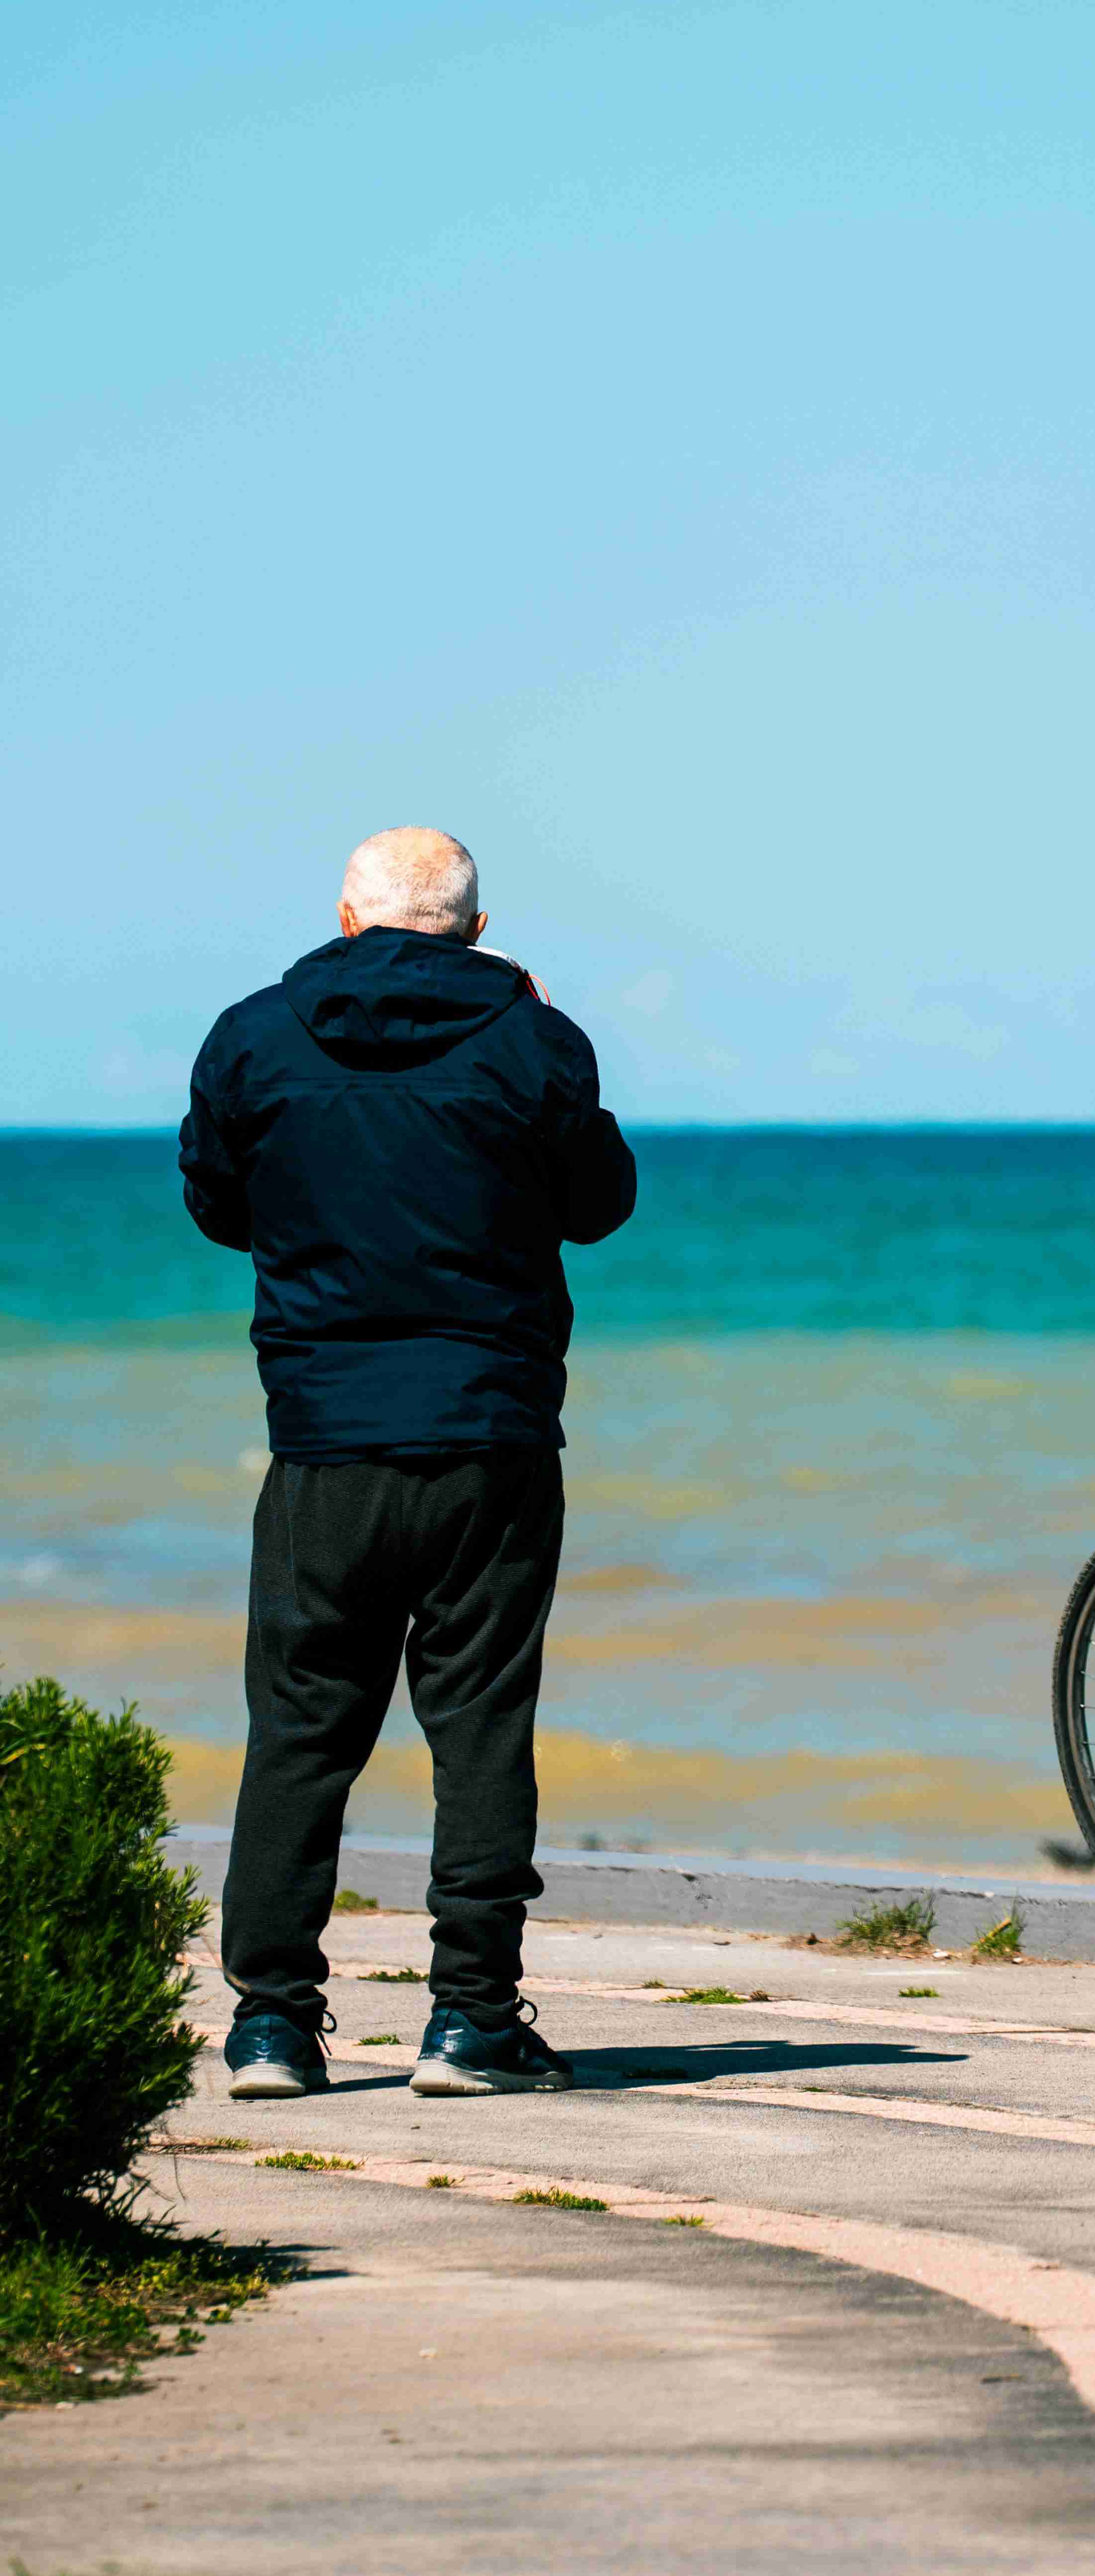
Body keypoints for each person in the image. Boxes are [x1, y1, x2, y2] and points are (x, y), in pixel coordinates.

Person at [180, 826, 636, 2100]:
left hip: (323, 1437)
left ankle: (273, 2022)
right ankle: (470, 2022)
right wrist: (541, 1042)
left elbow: (216, 1204)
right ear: (478, 932)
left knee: (300, 1731)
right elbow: (601, 1203)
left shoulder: (253, 1035)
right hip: (488, 1434)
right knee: (480, 1727)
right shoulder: (532, 1037)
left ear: (343, 917)